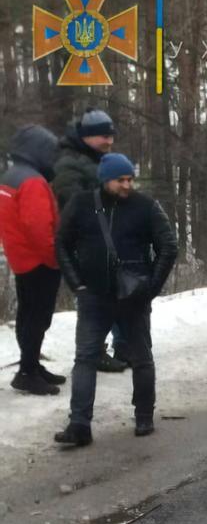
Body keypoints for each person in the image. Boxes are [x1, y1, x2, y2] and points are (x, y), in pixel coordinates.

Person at [54, 153, 178, 446]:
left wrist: (151, 287)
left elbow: (168, 247)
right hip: (93, 297)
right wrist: (77, 284)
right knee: (85, 358)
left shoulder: (145, 206)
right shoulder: (82, 204)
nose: (127, 185)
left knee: (141, 358)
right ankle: (79, 425)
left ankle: (144, 416)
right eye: (120, 180)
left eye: (130, 179)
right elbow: (61, 242)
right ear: (104, 179)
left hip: (133, 298)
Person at [52, 108, 128, 372]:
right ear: (86, 137)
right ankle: (92, 352)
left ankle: (122, 346)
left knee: (118, 290)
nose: (108, 141)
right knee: (93, 298)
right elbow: (72, 204)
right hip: (85, 241)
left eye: (111, 136)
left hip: (108, 236)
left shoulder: (100, 159)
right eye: (102, 136)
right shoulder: (69, 162)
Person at [0, 125, 64, 395]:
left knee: (28, 314)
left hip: (20, 258)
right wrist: (55, 259)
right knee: (38, 317)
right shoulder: (33, 182)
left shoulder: (9, 177)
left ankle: (31, 365)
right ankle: (27, 371)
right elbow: (39, 227)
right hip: (39, 261)